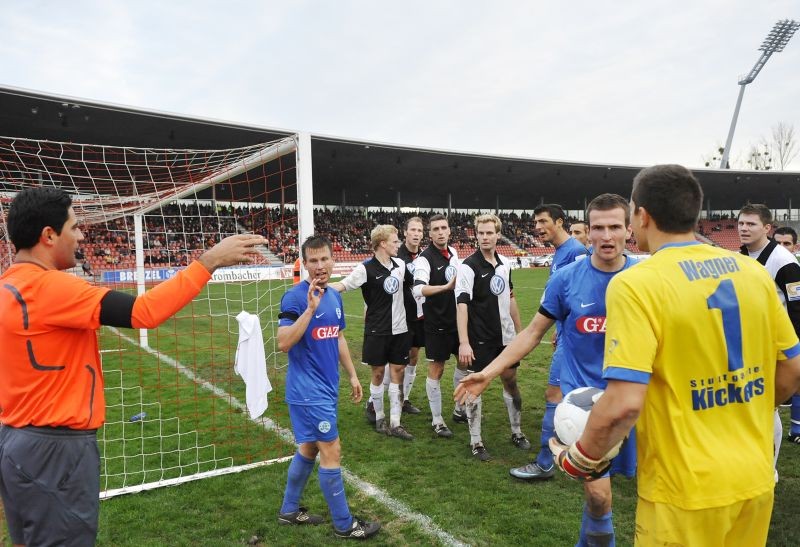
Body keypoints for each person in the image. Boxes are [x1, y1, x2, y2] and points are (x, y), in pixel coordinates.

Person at [0, 187, 266, 546]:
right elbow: (145, 312)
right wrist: (209, 261)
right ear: (49, 235)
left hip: (16, 442)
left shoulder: (7, 285)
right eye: (74, 227)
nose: (81, 236)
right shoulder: (51, 288)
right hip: (55, 450)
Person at [550, 164, 800, 546]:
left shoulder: (637, 283)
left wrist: (578, 459)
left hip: (684, 487)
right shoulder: (752, 273)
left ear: (642, 216)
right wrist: (738, 407)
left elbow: (623, 404)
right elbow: (792, 370)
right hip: (755, 475)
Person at [456, 195, 637, 545]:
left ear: (629, 229)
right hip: (585, 404)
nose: (606, 235)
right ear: (587, 233)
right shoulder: (567, 278)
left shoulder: (644, 275)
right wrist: (488, 372)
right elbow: (532, 333)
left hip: (632, 398)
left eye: (615, 226)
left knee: (643, 495)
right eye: (598, 227)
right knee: (599, 497)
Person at [277, 235, 380, 539]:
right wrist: (309, 310)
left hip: (326, 389)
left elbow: (337, 337)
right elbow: (283, 343)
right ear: (305, 264)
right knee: (331, 450)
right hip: (308, 392)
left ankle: (288, 510)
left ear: (333, 260)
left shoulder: (334, 296)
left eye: (325, 259)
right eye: (313, 260)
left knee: (309, 447)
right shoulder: (295, 298)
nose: (320, 266)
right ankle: (345, 525)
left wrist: (351, 374)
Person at [513, 204, 589, 480]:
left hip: (576, 342)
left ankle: (546, 461)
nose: (538, 227)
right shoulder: (561, 253)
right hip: (567, 335)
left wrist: (564, 329)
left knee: (555, 396)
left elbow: (581, 298)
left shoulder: (576, 253)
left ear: (559, 222)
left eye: (543, 221)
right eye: (536, 223)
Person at [330, 225, 414, 440]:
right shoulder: (365, 268)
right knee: (377, 375)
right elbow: (343, 285)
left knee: (398, 373)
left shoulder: (401, 266)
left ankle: (396, 423)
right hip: (377, 330)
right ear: (383, 244)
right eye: (395, 242)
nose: (398, 245)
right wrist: (318, 287)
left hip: (401, 329)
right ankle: (379, 419)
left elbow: (416, 286)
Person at [455, 214, 526, 462]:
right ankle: (476, 442)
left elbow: (512, 299)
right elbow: (461, 305)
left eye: (489, 233)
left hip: (505, 338)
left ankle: (517, 432)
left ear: (498, 234)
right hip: (479, 338)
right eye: (481, 233)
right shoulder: (468, 266)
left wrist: (520, 334)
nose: (485, 237)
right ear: (476, 235)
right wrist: (464, 341)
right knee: (475, 389)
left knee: (510, 381)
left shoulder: (505, 264)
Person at [738, 205, 800, 451]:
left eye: (751, 224)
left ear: (767, 228)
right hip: (747, 343)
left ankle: (769, 467)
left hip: (775, 346)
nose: (744, 228)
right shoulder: (740, 255)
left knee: (768, 405)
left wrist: (792, 351)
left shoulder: (783, 261)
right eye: (741, 223)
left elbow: (797, 308)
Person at [412, 214, 459, 438]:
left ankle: (459, 409)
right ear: (429, 234)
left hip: (458, 319)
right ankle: (437, 420)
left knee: (467, 363)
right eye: (436, 229)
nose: (441, 232)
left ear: (449, 231)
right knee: (437, 369)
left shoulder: (454, 254)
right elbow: (418, 290)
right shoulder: (423, 260)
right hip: (436, 322)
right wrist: (445, 287)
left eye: (444, 228)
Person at [396, 216, 425, 415]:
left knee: (414, 356)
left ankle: (404, 399)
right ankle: (375, 401)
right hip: (400, 315)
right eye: (412, 230)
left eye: (420, 231)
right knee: (396, 360)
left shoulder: (424, 257)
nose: (416, 234)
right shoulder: (397, 256)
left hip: (419, 316)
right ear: (405, 232)